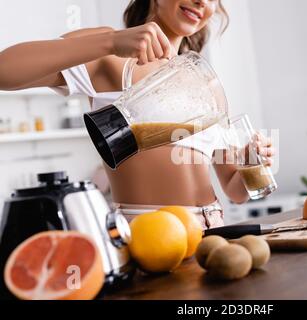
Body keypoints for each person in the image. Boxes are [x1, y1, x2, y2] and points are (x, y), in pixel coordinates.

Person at [0, 0, 276, 229]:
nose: (201, 1)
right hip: (148, 235)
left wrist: (253, 159)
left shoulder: (206, 84)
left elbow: (234, 190)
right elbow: (5, 71)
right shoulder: (113, 57)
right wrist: (109, 41)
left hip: (212, 231)